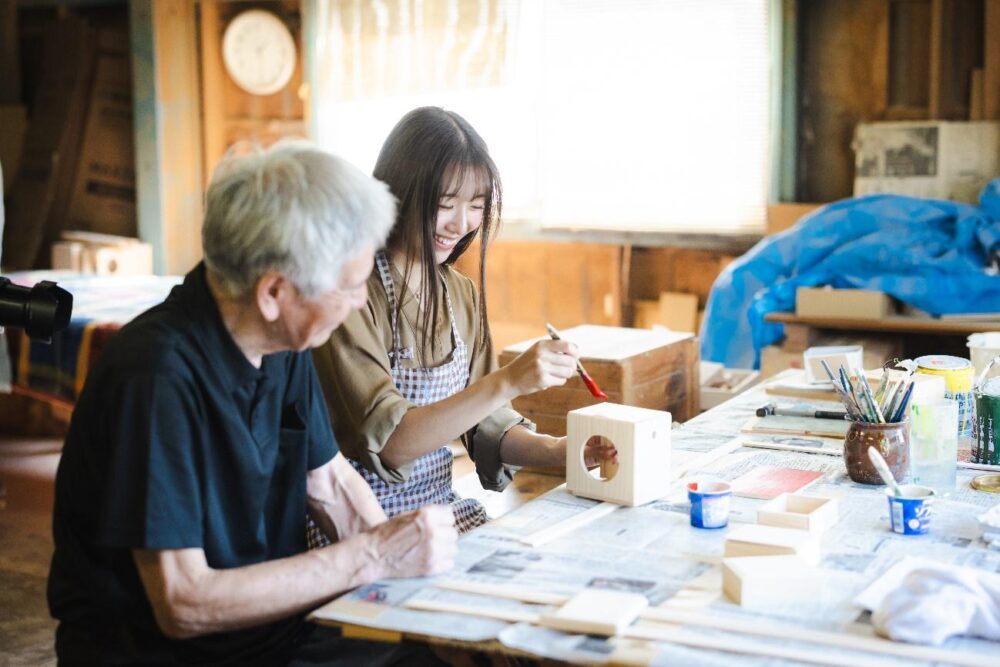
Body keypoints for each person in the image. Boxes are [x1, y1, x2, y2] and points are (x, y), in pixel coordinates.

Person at [46, 142, 458, 666]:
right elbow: (182, 603)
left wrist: (415, 586)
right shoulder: (154, 377)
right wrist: (373, 556)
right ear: (272, 293)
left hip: (272, 637)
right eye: (351, 286)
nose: (360, 301)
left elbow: (330, 484)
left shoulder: (282, 343)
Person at [311, 107, 616, 538]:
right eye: (444, 203)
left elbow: (486, 423)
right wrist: (509, 380)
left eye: (475, 205)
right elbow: (395, 445)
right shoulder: (351, 294)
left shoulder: (460, 293)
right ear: (399, 191)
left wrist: (561, 451)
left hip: (438, 515)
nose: (461, 223)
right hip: (360, 531)